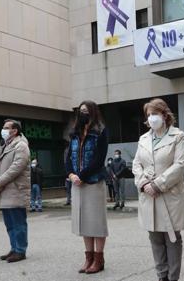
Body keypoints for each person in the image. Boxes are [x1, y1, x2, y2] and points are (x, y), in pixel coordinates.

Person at [132, 98, 184, 281]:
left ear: (164, 115)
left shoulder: (178, 136)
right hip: (149, 197)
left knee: (171, 238)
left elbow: (180, 165)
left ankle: (172, 277)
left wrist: (157, 184)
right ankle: (161, 276)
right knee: (155, 237)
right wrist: (143, 184)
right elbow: (136, 164)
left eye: (155, 114)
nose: (151, 118)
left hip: (169, 194)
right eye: (148, 115)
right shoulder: (143, 139)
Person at [65, 101, 109, 274]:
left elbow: (99, 159)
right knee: (83, 222)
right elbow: (68, 157)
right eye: (80, 111)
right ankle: (88, 258)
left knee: (96, 222)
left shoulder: (100, 131)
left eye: (86, 111)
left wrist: (81, 176)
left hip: (94, 182)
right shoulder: (75, 134)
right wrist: (71, 174)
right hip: (77, 183)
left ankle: (99, 258)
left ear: (93, 112)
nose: (83, 113)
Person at [0, 119, 31, 263]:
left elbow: (16, 168)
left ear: (15, 131)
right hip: (4, 190)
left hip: (16, 190)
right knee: (9, 223)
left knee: (18, 223)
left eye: (6, 128)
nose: (3, 130)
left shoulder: (21, 145)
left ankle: (20, 250)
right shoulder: (4, 145)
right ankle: (14, 248)